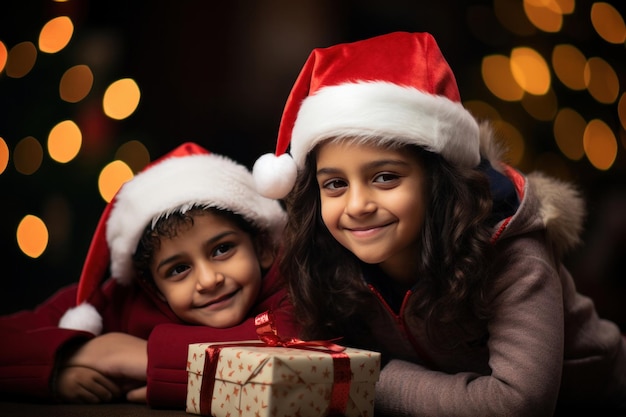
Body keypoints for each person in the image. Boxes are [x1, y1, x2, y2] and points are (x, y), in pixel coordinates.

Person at [252, 31, 626, 416]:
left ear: (437, 180)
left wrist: (364, 376)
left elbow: (517, 403)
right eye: (335, 184)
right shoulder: (324, 254)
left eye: (385, 178)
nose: (358, 205)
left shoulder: (512, 252)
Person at [0, 142, 298, 408]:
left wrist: (130, 357)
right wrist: (63, 363)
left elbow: (292, 363)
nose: (209, 280)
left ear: (262, 248)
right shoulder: (113, 302)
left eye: (222, 250)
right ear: (151, 287)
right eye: (179, 269)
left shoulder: (297, 291)